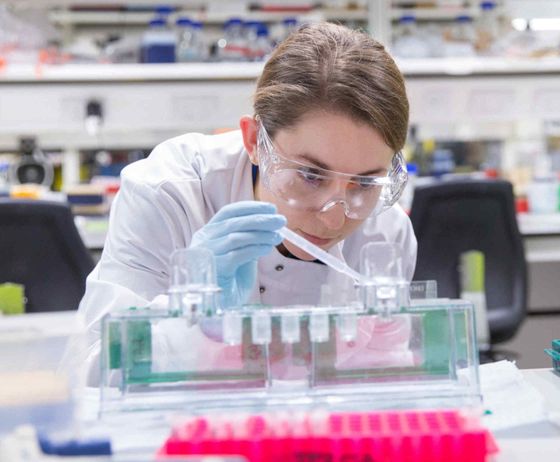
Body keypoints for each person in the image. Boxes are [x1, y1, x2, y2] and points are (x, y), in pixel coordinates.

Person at [68, 22, 417, 380]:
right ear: (254, 141)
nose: (333, 219)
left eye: (363, 183)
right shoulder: (168, 193)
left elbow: (383, 390)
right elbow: (92, 375)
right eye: (310, 176)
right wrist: (193, 320)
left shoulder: (384, 231)